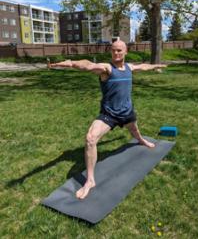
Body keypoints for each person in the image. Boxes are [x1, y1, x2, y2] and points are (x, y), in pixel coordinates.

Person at [48, 40, 167, 199]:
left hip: (127, 111)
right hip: (109, 114)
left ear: (125, 52)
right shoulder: (106, 69)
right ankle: (90, 181)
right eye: (113, 50)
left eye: (119, 50)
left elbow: (143, 66)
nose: (116, 53)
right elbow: (87, 65)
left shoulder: (129, 68)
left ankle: (141, 140)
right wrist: (66, 63)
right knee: (90, 138)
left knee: (135, 131)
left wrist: (156, 66)